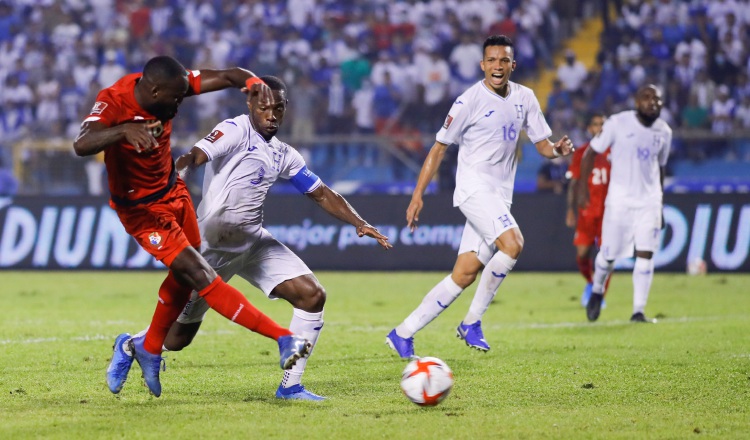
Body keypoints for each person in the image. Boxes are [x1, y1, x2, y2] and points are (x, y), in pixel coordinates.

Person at [110, 76, 392, 400]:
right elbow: (196, 155)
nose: (271, 114)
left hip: (253, 242)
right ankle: (131, 344)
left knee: (312, 295)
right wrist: (178, 174)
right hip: (210, 248)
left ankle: (291, 386)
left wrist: (359, 222)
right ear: (251, 105)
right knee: (176, 339)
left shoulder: (284, 153)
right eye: (264, 107)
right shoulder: (234, 129)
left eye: (278, 108)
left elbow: (321, 193)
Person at [73, 56, 312, 398]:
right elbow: (81, 143)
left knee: (187, 280)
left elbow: (230, 74)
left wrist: (253, 85)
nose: (178, 104)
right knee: (201, 275)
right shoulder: (113, 100)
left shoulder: (173, 86)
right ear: (154, 90)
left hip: (174, 194)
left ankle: (145, 346)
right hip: (142, 211)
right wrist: (124, 129)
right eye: (174, 99)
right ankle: (282, 337)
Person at [385, 35, 575, 358]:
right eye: (492, 60)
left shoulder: (526, 98)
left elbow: (543, 144)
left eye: (504, 61)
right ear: (482, 65)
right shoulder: (468, 101)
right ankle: (472, 322)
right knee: (513, 244)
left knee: (464, 273)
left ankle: (402, 333)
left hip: (500, 195)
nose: (498, 66)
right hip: (474, 188)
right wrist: (418, 194)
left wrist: (557, 150)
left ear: (512, 65)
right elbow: (438, 148)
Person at [578, 84, 671, 323]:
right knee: (607, 257)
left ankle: (638, 311)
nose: (653, 102)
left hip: (649, 202)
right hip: (619, 203)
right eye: (647, 98)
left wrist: (659, 202)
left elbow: (659, 168)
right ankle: (597, 290)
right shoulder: (618, 124)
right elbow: (590, 153)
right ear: (637, 102)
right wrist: (582, 189)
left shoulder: (664, 132)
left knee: (646, 255)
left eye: (657, 99)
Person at [565, 112, 609, 307]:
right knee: (582, 255)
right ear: (590, 129)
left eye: (603, 124)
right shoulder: (582, 152)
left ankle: (598, 297)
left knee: (607, 256)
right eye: (596, 124)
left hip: (610, 213)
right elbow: (574, 183)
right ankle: (592, 284)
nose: (599, 128)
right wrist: (570, 210)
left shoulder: (615, 152)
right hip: (587, 212)